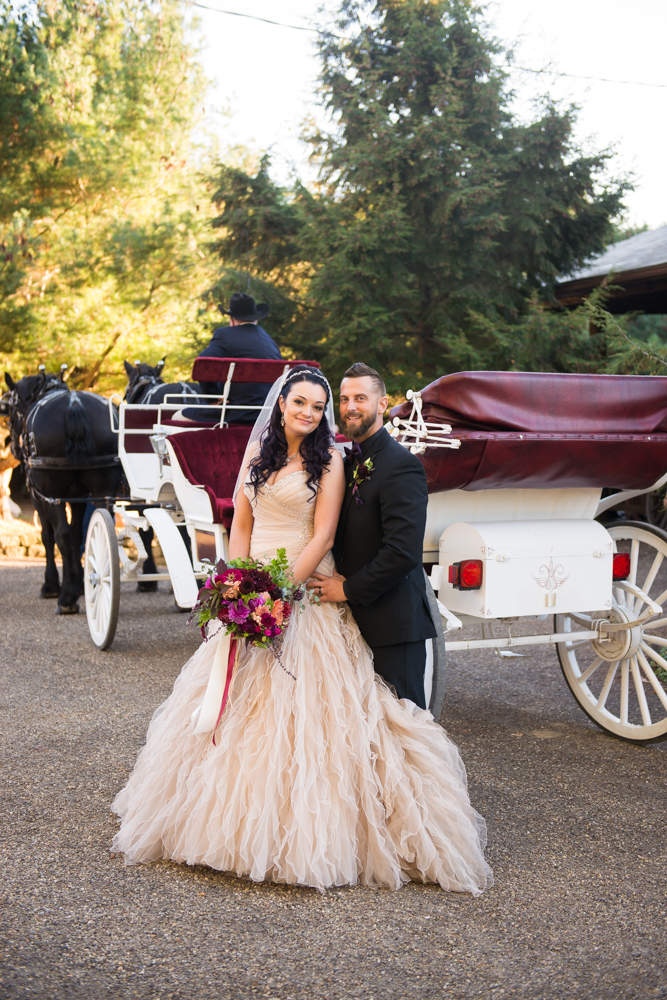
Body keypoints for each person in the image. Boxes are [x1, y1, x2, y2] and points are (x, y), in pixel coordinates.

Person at [112, 365, 492, 893]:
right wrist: (239, 583)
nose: (310, 414)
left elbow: (323, 534)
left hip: (300, 592)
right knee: (239, 709)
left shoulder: (331, 460)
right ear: (283, 404)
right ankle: (223, 822)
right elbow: (240, 523)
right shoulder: (257, 455)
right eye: (302, 405)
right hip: (253, 585)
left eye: (319, 406)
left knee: (309, 716)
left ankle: (325, 831)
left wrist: (278, 591)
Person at [311, 362, 436, 709]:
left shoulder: (402, 465)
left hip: (392, 625)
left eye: (361, 398)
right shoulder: (342, 463)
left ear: (381, 405)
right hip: (348, 625)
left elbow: (403, 551)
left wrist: (346, 589)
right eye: (346, 398)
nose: (351, 407)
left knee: (405, 731)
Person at [180, 291, 282, 424]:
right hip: (267, 416)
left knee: (177, 415)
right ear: (256, 319)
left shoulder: (224, 334)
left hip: (233, 413)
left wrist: (213, 398)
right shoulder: (269, 341)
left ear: (232, 320)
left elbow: (204, 363)